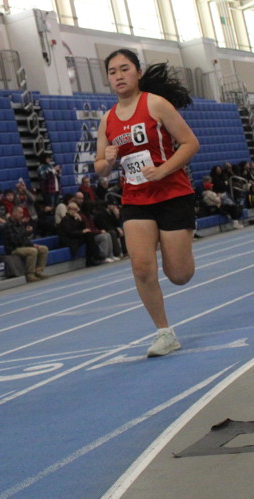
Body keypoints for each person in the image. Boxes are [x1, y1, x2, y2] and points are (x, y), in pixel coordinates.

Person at [94, 49, 200, 358]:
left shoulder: (155, 104)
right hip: (136, 199)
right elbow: (100, 168)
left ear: (138, 73)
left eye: (124, 69)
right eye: (112, 71)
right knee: (141, 266)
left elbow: (190, 143)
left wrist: (164, 169)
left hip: (172, 194)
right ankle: (164, 333)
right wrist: (107, 161)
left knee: (179, 274)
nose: (119, 76)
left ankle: (179, 248)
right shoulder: (107, 120)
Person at [2, 205, 48, 282]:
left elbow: (25, 239)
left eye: (22, 213)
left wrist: (32, 245)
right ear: (14, 213)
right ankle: (30, 275)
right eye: (20, 213)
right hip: (13, 249)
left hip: (22, 246)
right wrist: (25, 233)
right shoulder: (8, 225)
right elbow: (14, 241)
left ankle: (38, 271)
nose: (22, 215)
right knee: (32, 251)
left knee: (43, 249)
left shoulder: (19, 224)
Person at [57, 201, 109, 267]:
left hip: (75, 236)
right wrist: (82, 232)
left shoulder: (75, 218)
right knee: (88, 236)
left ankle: (93, 257)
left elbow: (81, 227)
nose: (76, 211)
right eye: (74, 209)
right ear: (69, 210)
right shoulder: (66, 219)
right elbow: (69, 232)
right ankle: (96, 256)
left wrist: (80, 221)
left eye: (76, 210)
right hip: (68, 239)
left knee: (89, 235)